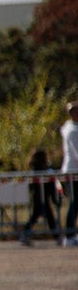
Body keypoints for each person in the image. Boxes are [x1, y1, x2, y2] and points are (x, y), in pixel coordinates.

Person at [19, 149, 60, 246]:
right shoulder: (43, 170)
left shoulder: (35, 169)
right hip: (41, 197)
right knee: (44, 216)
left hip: (39, 196)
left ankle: (24, 234)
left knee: (39, 216)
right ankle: (57, 237)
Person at [61, 100, 78, 247]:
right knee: (74, 203)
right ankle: (69, 234)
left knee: (75, 203)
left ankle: (72, 233)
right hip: (73, 171)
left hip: (74, 170)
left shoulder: (73, 128)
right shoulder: (71, 130)